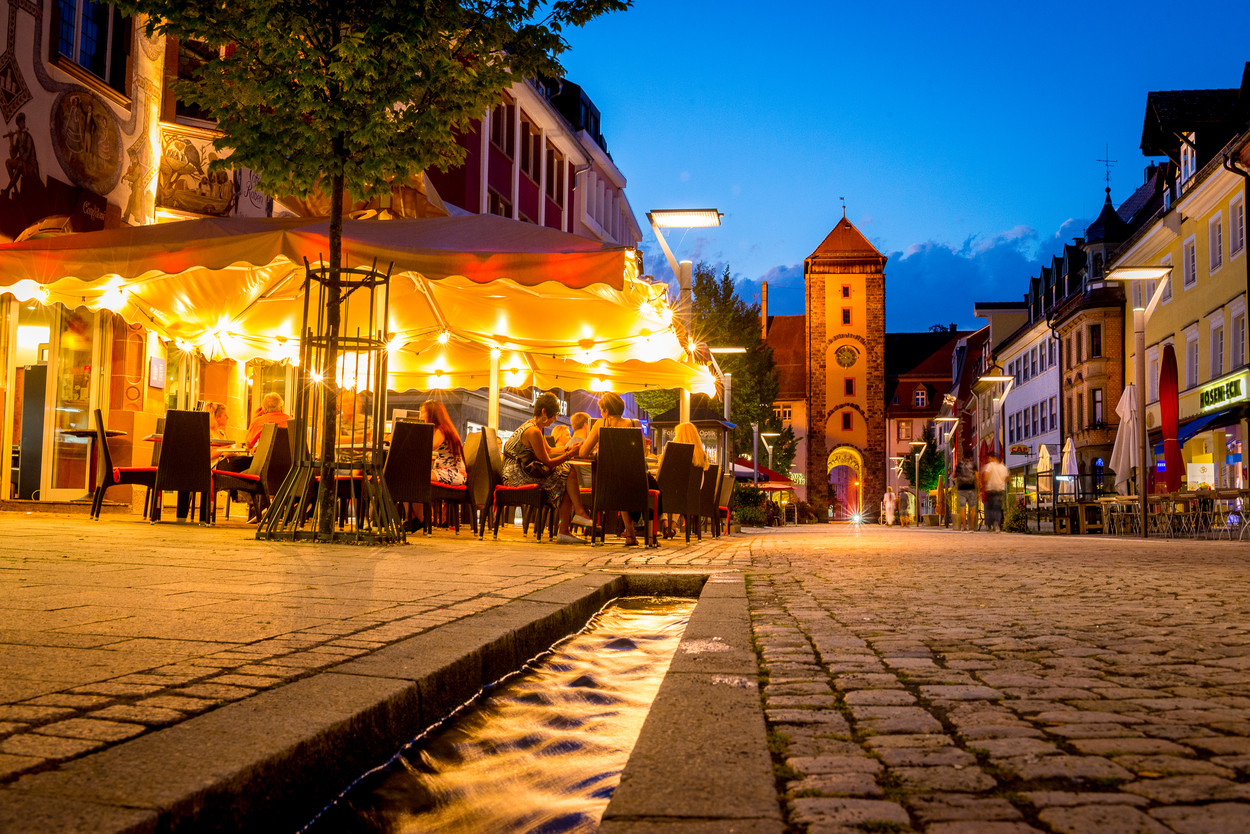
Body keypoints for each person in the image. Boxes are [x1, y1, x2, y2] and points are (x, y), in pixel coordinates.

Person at [502, 392, 593, 544]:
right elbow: (548, 462)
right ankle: (570, 523)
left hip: (526, 470)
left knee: (567, 474)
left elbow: (549, 450)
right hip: (516, 475)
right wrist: (570, 455)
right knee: (567, 473)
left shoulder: (535, 427)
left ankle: (574, 519)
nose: (555, 418)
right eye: (553, 415)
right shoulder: (533, 431)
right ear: (544, 412)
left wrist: (569, 449)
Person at [575, 391, 646, 545]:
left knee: (620, 483)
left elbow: (583, 452)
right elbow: (643, 452)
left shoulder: (601, 424)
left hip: (607, 482)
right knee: (625, 483)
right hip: (634, 481)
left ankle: (630, 534)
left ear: (606, 411)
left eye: (601, 410)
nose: (601, 414)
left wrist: (597, 449)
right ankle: (632, 534)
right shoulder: (635, 424)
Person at [981, 452, 1009, 532]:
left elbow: (986, 477)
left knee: (990, 508)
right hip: (1000, 489)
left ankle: (991, 524)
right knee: (998, 508)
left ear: (992, 458)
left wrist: (984, 485)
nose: (988, 460)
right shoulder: (1003, 467)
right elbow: (1006, 478)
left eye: (989, 458)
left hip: (991, 489)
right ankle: (997, 524)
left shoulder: (990, 466)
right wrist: (1000, 482)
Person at [954, 451, 978, 532]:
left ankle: (964, 528)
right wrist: (978, 488)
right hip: (971, 488)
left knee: (962, 509)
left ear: (963, 457)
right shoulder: (973, 465)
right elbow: (977, 477)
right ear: (971, 457)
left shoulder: (959, 465)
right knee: (972, 509)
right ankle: (971, 528)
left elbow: (954, 475)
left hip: (961, 489)